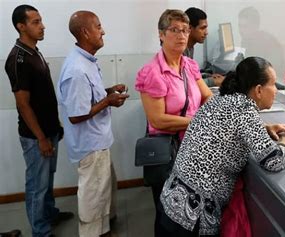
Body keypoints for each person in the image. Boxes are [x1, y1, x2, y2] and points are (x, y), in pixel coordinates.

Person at [158, 57, 285, 236]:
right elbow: (272, 161)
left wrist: (264, 128)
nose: (276, 90)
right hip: (193, 218)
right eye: (273, 85)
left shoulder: (222, 99)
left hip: (171, 202)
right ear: (258, 90)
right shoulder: (245, 110)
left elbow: (227, 127)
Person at [134, 9, 212, 236]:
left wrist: (219, 113)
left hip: (192, 148)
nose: (181, 35)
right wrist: (197, 121)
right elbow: (157, 119)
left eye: (185, 30)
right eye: (175, 30)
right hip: (169, 151)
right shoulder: (152, 72)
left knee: (190, 210)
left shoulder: (189, 65)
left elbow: (206, 96)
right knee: (168, 214)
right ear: (161, 35)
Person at [57, 11, 129, 236]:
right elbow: (76, 115)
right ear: (85, 32)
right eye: (98, 27)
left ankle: (104, 227)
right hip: (90, 145)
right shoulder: (77, 69)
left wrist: (107, 92)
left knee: (103, 190)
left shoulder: (86, 61)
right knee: (93, 196)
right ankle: (93, 233)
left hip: (98, 141)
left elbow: (88, 97)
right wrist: (108, 101)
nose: (103, 31)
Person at [4, 5, 73, 237]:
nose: (42, 26)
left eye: (41, 20)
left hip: (49, 129)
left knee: (48, 178)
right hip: (36, 137)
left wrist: (55, 126)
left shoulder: (35, 51)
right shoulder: (18, 59)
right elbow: (23, 104)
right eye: (35, 22)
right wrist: (42, 137)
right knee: (37, 185)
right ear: (20, 26)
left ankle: (49, 214)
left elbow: (45, 94)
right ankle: (40, 231)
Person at [184, 7, 225, 87]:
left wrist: (206, 76)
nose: (206, 33)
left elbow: (189, 75)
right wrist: (212, 81)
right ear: (190, 28)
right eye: (202, 28)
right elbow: (186, 85)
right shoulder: (179, 51)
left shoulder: (190, 47)